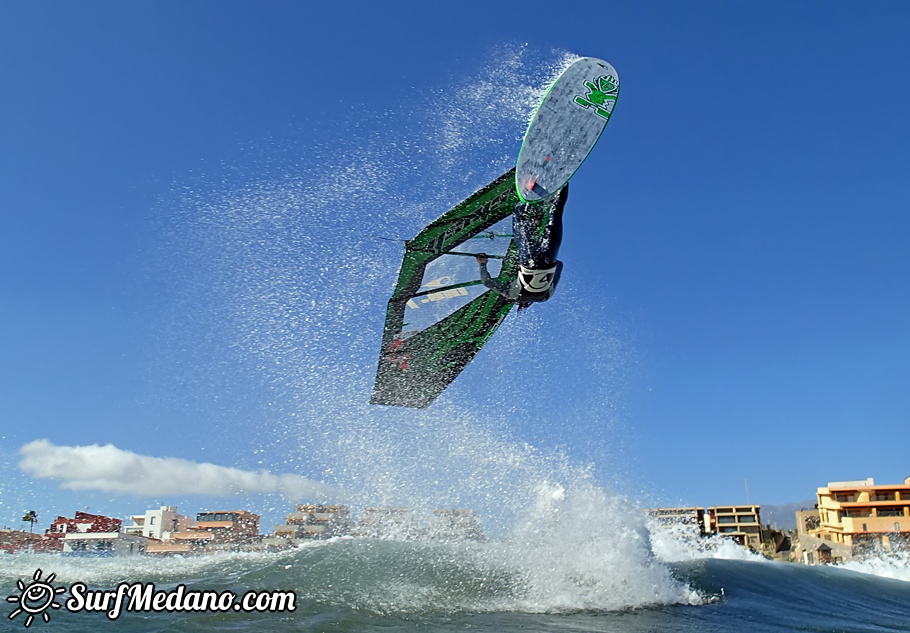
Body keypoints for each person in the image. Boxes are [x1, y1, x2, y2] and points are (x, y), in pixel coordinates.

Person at [475, 184, 568, 307]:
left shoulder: (546, 297)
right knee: (520, 218)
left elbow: (560, 265)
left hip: (550, 258)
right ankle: (530, 189)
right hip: (529, 261)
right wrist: (482, 264)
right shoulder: (511, 295)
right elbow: (487, 282)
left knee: (556, 212)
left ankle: (563, 183)